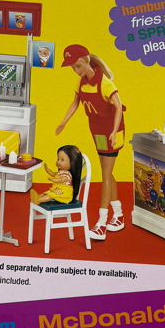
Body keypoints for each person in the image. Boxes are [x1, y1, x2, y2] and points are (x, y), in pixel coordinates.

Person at [57, 45, 126, 241]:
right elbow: (76, 102)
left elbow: (118, 106)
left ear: (86, 62)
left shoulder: (104, 83)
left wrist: (114, 132)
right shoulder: (81, 82)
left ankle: (102, 223)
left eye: (78, 66)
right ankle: (119, 215)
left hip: (112, 131)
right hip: (97, 131)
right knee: (107, 172)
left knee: (105, 174)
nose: (76, 71)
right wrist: (64, 122)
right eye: (73, 68)